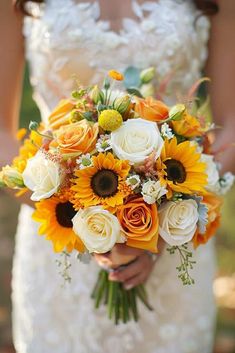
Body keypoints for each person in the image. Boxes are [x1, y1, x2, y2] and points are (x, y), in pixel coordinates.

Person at [0, 0, 234, 352]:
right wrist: (72, 215)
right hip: (57, 245)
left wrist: (163, 225)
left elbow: (230, 127)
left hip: (175, 242)